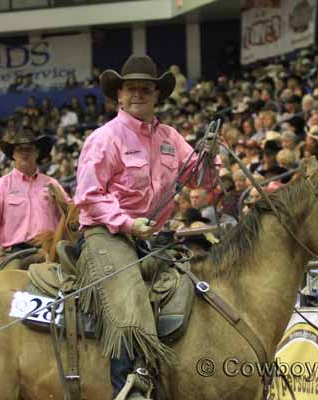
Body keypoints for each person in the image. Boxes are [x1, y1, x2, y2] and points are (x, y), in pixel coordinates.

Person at [74, 54, 218, 399]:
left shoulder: (170, 137)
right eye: (131, 88)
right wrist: (126, 223)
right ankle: (128, 386)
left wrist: (210, 157)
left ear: (157, 96)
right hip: (105, 234)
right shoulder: (105, 138)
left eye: (145, 89)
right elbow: (88, 195)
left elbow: (200, 176)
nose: (138, 94)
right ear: (119, 96)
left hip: (152, 236)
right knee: (128, 296)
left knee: (196, 284)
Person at [0, 129, 70, 273]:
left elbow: (70, 213)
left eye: (30, 149)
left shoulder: (52, 184)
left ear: (37, 153)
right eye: (20, 149)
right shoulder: (0, 187)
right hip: (15, 253)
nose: (25, 152)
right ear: (13, 154)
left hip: (49, 251)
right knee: (8, 284)